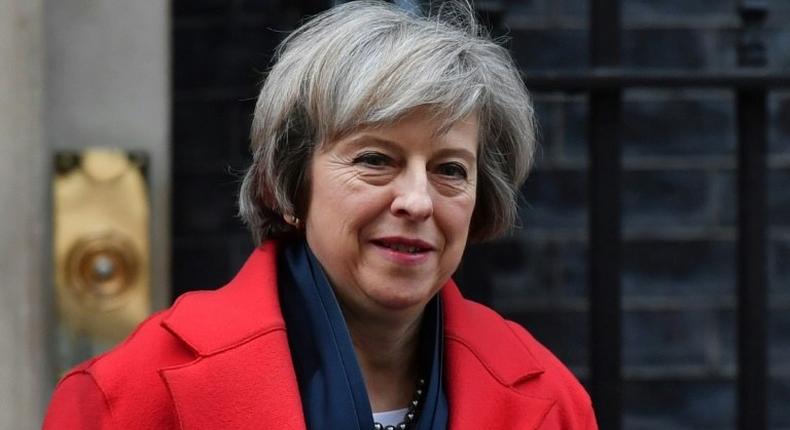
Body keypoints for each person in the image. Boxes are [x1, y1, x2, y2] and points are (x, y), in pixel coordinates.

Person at [43, 1, 596, 429]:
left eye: (450, 169)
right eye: (376, 159)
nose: (417, 200)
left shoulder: (551, 398)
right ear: (289, 185)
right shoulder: (128, 396)